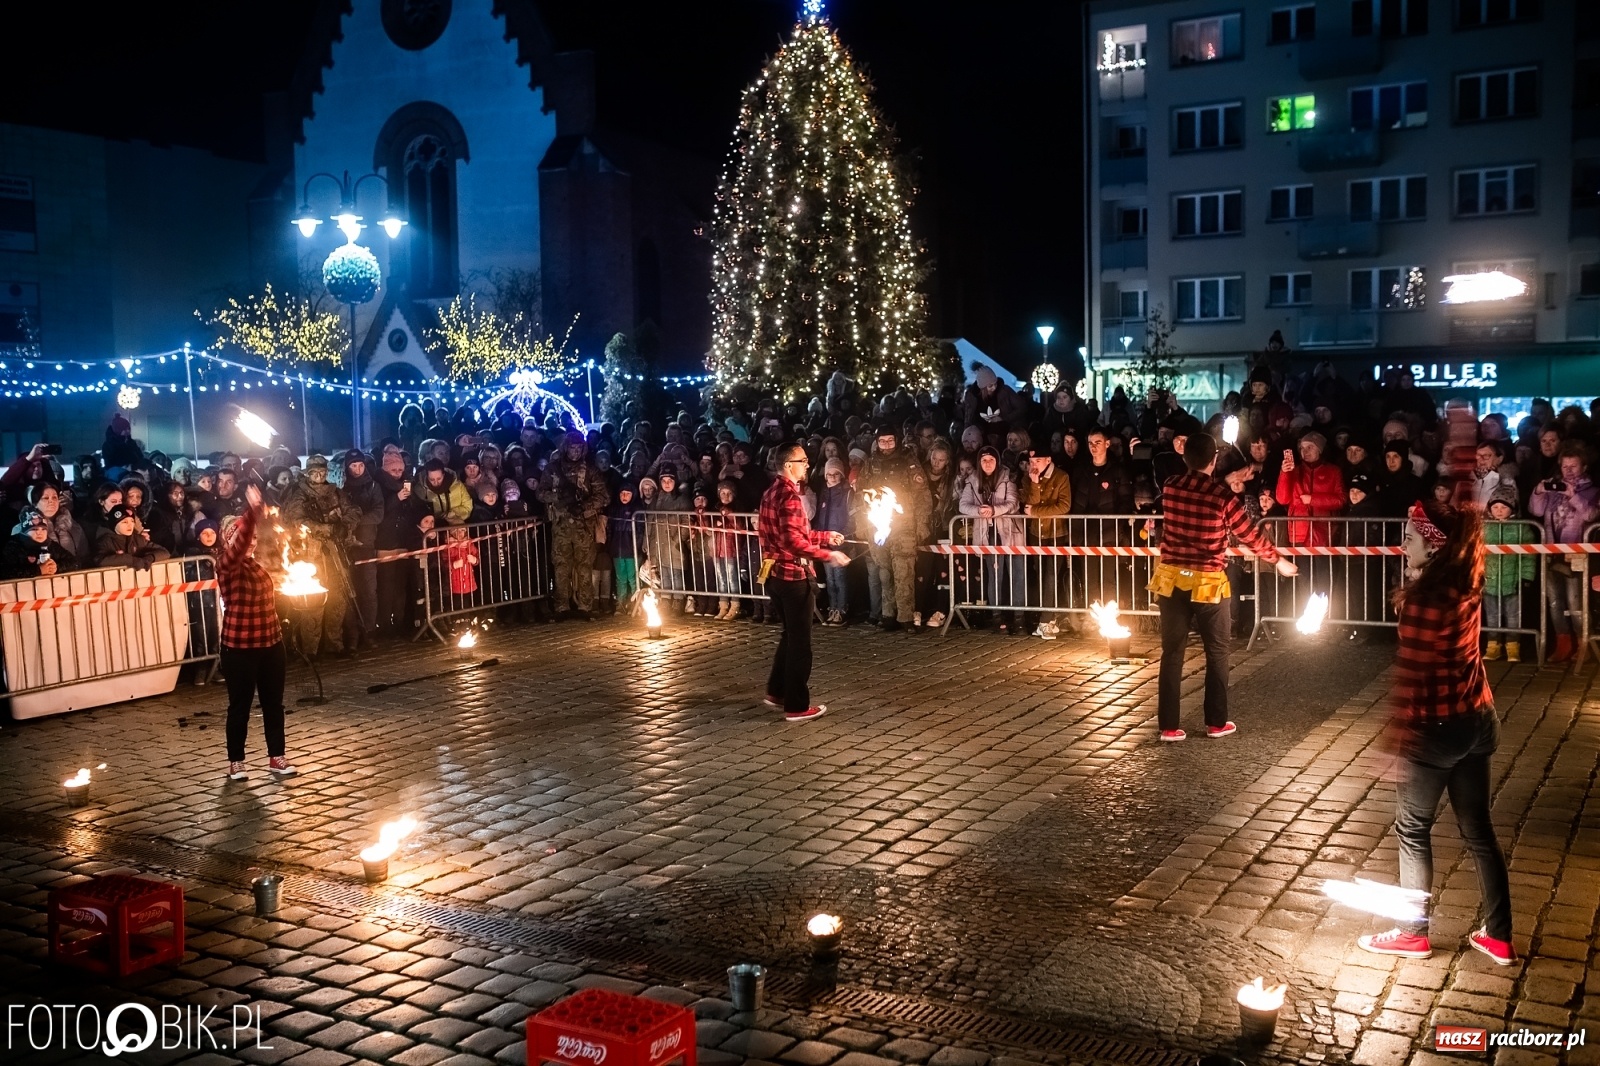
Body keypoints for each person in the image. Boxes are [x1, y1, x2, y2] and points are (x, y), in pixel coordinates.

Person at [1357, 500, 1514, 966]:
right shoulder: (1467, 579)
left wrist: (1393, 743)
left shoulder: (1425, 602)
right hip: (1478, 718)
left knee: (1412, 828)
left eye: (1411, 537)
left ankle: (1412, 933)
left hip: (1436, 730)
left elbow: (1409, 676)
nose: (1403, 545)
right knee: (1479, 831)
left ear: (1435, 545)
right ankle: (1500, 937)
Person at [1150, 433, 1297, 741]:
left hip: (1172, 578)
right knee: (1217, 652)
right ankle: (1215, 722)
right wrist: (1278, 560)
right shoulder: (1223, 497)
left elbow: (1191, 480)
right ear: (1214, 460)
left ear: (1185, 457)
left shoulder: (1171, 487)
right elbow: (1249, 535)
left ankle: (1168, 726)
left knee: (1172, 652)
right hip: (1207, 581)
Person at [758, 443, 850, 722]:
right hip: (792, 576)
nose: (808, 465)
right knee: (800, 642)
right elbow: (792, 541)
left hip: (773, 574)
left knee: (789, 635)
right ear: (789, 465)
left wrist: (824, 536)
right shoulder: (789, 496)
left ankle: (777, 691)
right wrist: (828, 556)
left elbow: (795, 533)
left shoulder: (770, 492)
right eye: (803, 460)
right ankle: (797, 706)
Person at [217, 484, 295, 781]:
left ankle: (277, 757)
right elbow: (238, 548)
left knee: (273, 703)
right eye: (239, 536)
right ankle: (236, 761)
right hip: (239, 647)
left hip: (271, 644)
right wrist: (252, 513)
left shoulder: (257, 567)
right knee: (240, 706)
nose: (248, 542)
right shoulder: (226, 566)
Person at [1527, 443, 1598, 663]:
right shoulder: (1553, 489)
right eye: (1565, 466)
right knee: (1555, 601)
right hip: (1551, 551)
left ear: (1584, 466)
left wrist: (1573, 495)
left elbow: (1591, 515)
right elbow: (1536, 511)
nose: (1568, 470)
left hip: (1576, 553)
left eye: (1573, 466)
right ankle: (1563, 644)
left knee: (1575, 602)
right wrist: (1539, 491)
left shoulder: (1593, 491)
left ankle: (1583, 644)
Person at [538, 430, 610, 620]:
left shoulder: (591, 470)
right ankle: (562, 606)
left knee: (584, 566)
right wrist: (559, 496)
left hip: (583, 525)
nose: (575, 452)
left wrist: (584, 506)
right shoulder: (552, 469)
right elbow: (541, 493)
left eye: (579, 448)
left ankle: (585, 607)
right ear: (565, 448)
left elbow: (603, 496)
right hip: (560, 524)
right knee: (561, 566)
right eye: (572, 447)